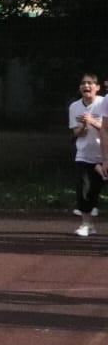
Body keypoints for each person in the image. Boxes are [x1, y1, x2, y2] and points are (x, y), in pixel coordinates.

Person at [67, 74, 104, 236]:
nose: (86, 86)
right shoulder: (74, 107)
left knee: (95, 191)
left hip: (104, 155)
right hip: (84, 155)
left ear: (97, 87)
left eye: (90, 83)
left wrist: (92, 121)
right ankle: (87, 224)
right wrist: (83, 126)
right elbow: (76, 133)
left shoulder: (104, 103)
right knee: (83, 190)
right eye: (83, 83)